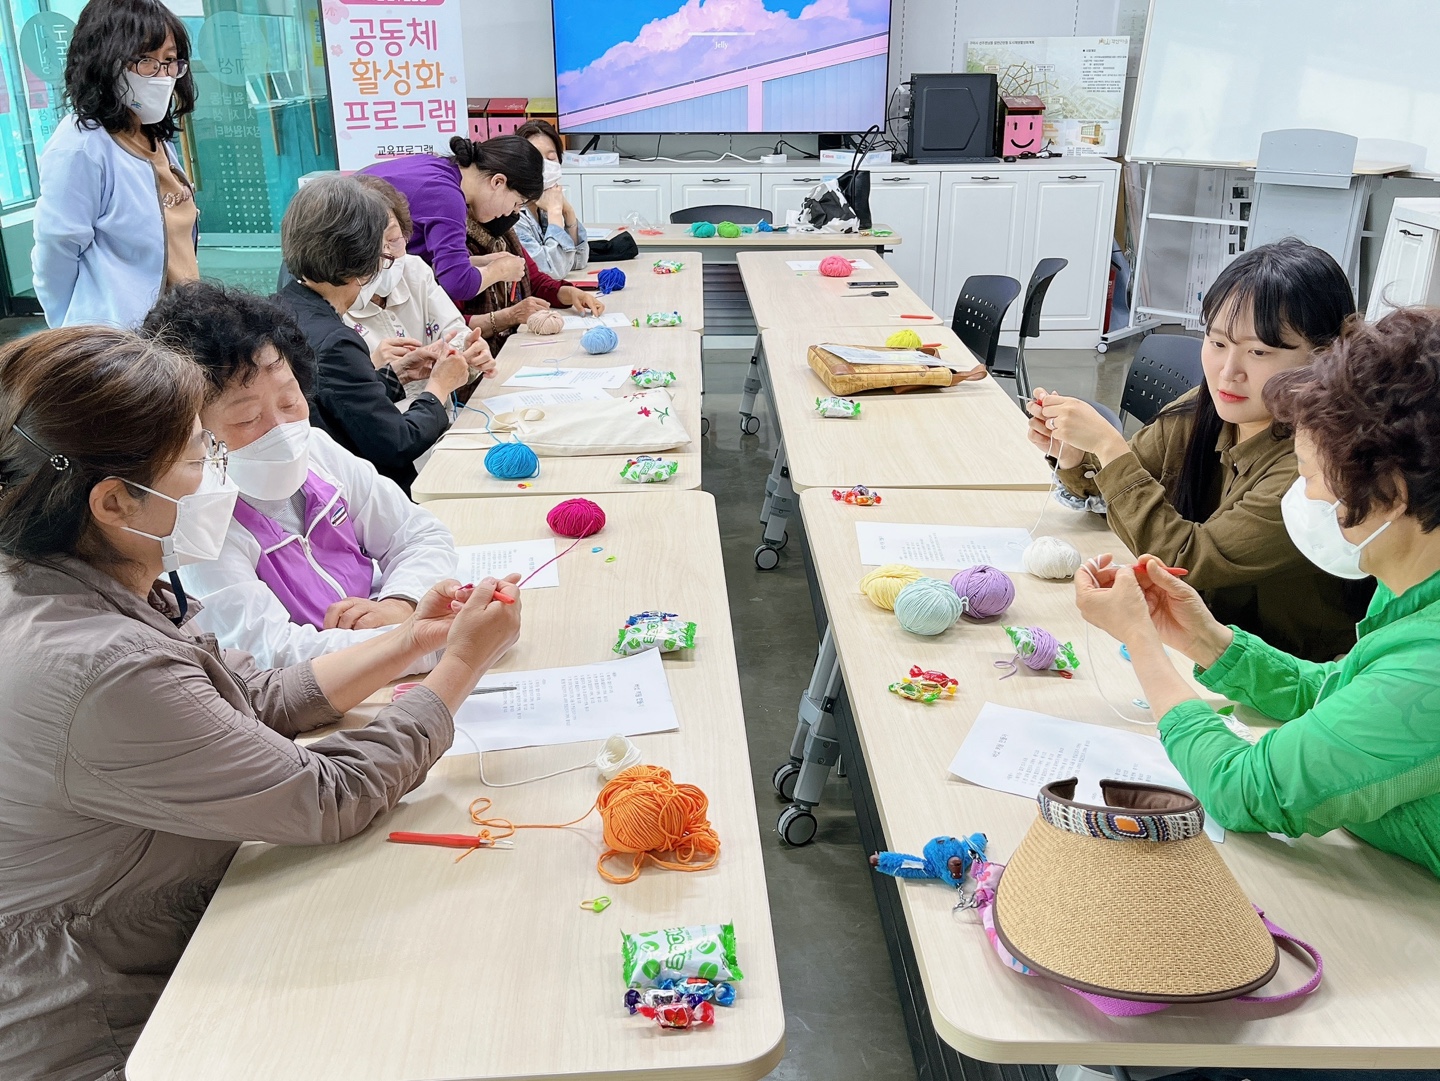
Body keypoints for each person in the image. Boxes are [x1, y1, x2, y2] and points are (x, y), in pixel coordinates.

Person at [0, 325, 522, 1081]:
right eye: (196, 456)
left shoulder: (69, 577)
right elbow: (325, 794)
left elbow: (249, 693)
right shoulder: (97, 666)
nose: (218, 474)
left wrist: (414, 637)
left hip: (159, 942)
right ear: (115, 500)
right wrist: (461, 666)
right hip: (108, 1026)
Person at [1075, 306, 1440, 879]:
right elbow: (1341, 692)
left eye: (1313, 477)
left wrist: (1142, 644)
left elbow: (1242, 791)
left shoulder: (1430, 666)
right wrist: (1208, 641)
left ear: (1391, 492)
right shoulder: (1414, 582)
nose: (1309, 498)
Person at [1028, 239, 1370, 662]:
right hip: (1197, 638)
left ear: (1325, 355)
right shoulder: (1208, 409)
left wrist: (1105, 444)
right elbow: (1118, 489)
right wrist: (1075, 456)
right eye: (1217, 342)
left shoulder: (1314, 465)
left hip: (1279, 668)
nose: (1228, 372)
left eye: (1259, 352)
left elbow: (1188, 558)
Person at [143, 280, 459, 669]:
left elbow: (418, 533)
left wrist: (400, 603)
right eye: (247, 419)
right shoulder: (200, 526)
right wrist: (427, 642)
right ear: (193, 432)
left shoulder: (316, 451)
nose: (281, 430)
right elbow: (270, 655)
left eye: (290, 401)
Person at [276, 175, 481, 494]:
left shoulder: (284, 308)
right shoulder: (335, 340)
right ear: (359, 257)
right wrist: (439, 385)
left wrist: (393, 376)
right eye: (381, 251)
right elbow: (397, 442)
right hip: (361, 497)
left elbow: (341, 405)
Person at [32, 0, 199, 329]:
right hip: (120, 345)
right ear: (105, 60)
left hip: (178, 331)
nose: (163, 75)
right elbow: (55, 255)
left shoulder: (153, 136)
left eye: (169, 61)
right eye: (147, 61)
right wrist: (76, 334)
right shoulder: (81, 147)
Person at [362, 135, 604, 352]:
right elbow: (457, 283)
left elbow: (430, 265)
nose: (513, 212)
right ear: (498, 182)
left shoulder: (440, 170)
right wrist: (497, 271)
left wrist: (482, 263)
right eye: (517, 202)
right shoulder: (448, 197)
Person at [346, 173, 494, 404]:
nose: (388, 256)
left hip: (437, 419)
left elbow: (452, 330)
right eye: (372, 247)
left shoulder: (412, 270)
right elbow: (340, 399)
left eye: (394, 239)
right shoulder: (333, 303)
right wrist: (373, 369)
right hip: (389, 431)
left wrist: (468, 351)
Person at [514, 118, 589, 279]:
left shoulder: (544, 207)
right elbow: (550, 272)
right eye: (536, 159)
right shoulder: (513, 214)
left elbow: (577, 261)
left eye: (551, 158)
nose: (545, 166)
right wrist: (555, 213)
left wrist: (568, 213)